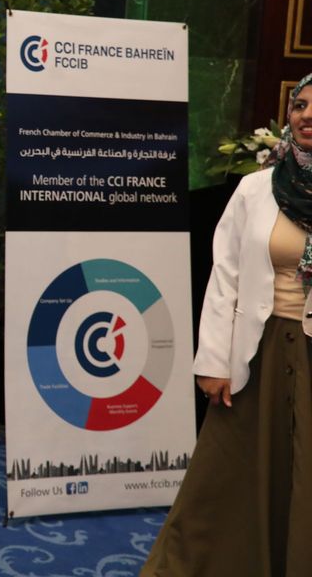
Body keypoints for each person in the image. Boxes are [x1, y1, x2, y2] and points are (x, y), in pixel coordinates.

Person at [141, 75, 312, 576]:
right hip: (258, 352)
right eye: (301, 105)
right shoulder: (256, 189)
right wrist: (213, 361)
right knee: (228, 474)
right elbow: (225, 278)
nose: (307, 116)